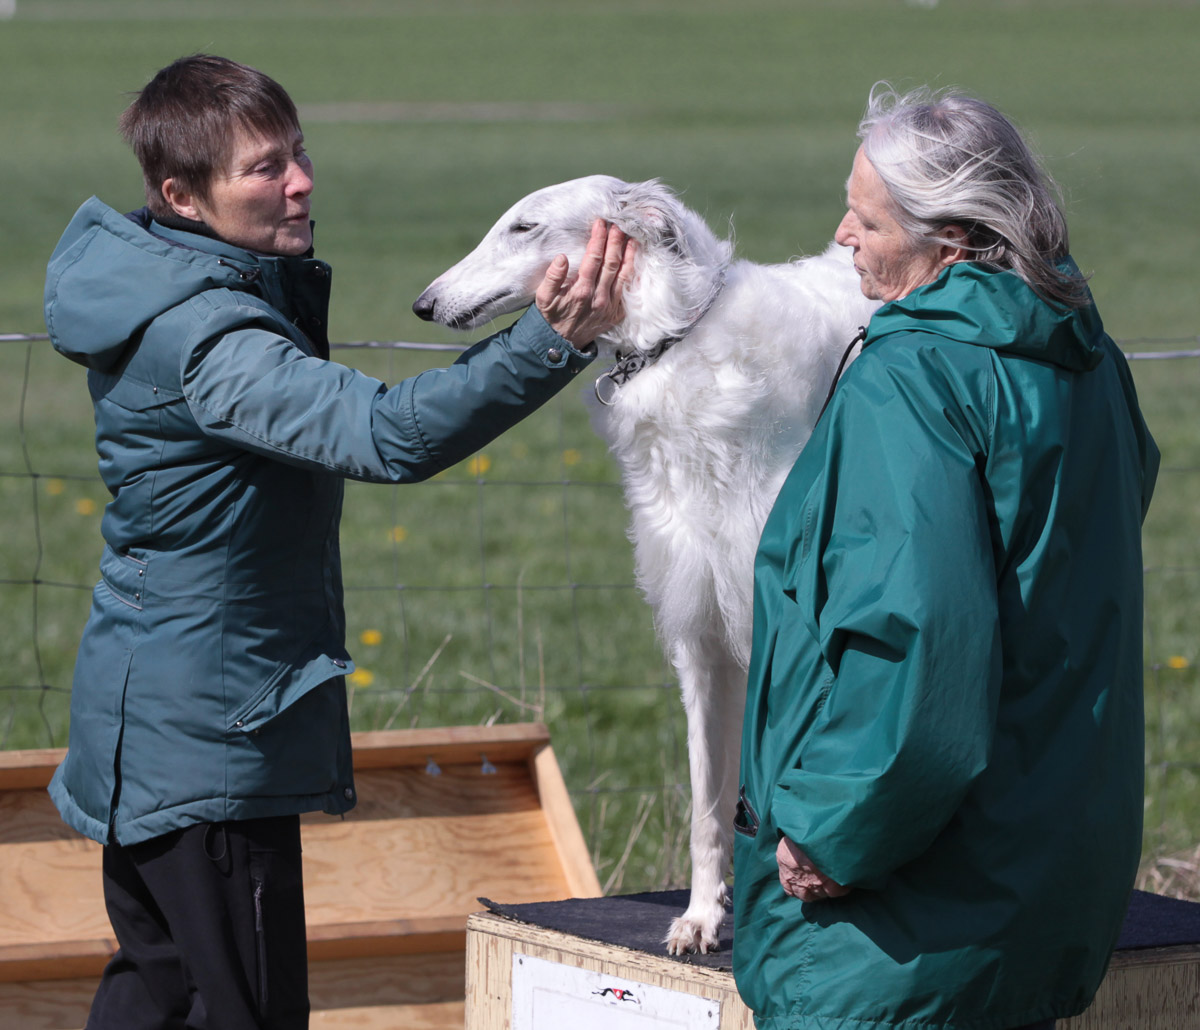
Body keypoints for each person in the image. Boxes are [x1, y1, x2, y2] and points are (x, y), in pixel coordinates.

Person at [43, 54, 633, 1030]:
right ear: (182, 195)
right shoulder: (212, 342)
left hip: (147, 725)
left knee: (160, 993)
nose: (302, 180)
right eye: (265, 168)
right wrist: (549, 338)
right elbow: (390, 435)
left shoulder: (147, 286)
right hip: (209, 751)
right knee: (244, 1010)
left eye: (299, 153)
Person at [732, 84, 1159, 1030]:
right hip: (1045, 881)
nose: (842, 234)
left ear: (953, 237)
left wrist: (833, 833)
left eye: (869, 217)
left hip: (897, 933)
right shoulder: (1087, 362)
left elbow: (914, 641)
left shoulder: (913, 379)